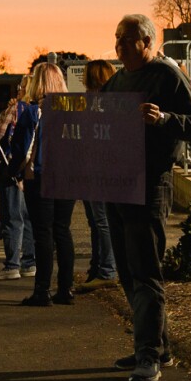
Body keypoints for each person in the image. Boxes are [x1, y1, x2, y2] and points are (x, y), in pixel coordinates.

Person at [102, 14, 191, 381]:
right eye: (117, 38)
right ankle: (156, 345)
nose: (119, 45)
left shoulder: (167, 75)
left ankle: (149, 357)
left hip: (148, 184)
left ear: (147, 40)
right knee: (128, 270)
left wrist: (163, 119)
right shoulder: (118, 80)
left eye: (127, 39)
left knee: (145, 270)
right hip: (117, 184)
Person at [9, 62, 76, 307]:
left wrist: (12, 171)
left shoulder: (33, 111)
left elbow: (21, 147)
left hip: (41, 175)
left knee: (43, 234)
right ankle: (66, 287)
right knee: (62, 231)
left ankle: (42, 289)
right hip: (68, 177)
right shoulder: (73, 110)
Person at [75, 60, 119, 293]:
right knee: (97, 220)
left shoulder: (95, 103)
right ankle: (99, 266)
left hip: (96, 167)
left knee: (100, 221)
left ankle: (106, 269)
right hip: (100, 166)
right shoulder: (110, 102)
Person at [0, 75, 36, 281]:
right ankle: (29, 261)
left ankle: (12, 264)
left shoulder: (17, 108)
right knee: (27, 217)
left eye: (21, 86)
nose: (18, 90)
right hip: (29, 170)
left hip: (11, 167)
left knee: (11, 217)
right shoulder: (37, 108)